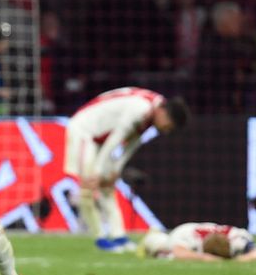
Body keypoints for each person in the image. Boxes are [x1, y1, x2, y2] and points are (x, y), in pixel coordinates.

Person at [64, 87, 189, 252]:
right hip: (84, 131)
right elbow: (117, 138)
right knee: (88, 186)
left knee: (107, 187)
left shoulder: (152, 110)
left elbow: (133, 141)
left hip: (101, 140)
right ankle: (100, 239)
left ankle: (119, 237)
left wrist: (116, 169)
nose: (166, 131)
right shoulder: (141, 108)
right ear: (164, 113)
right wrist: (98, 170)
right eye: (168, 126)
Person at [140, 222, 256, 262]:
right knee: (160, 247)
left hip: (199, 230)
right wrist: (204, 257)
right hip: (184, 230)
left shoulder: (237, 236)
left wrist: (241, 259)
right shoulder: (188, 237)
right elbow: (179, 252)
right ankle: (154, 234)